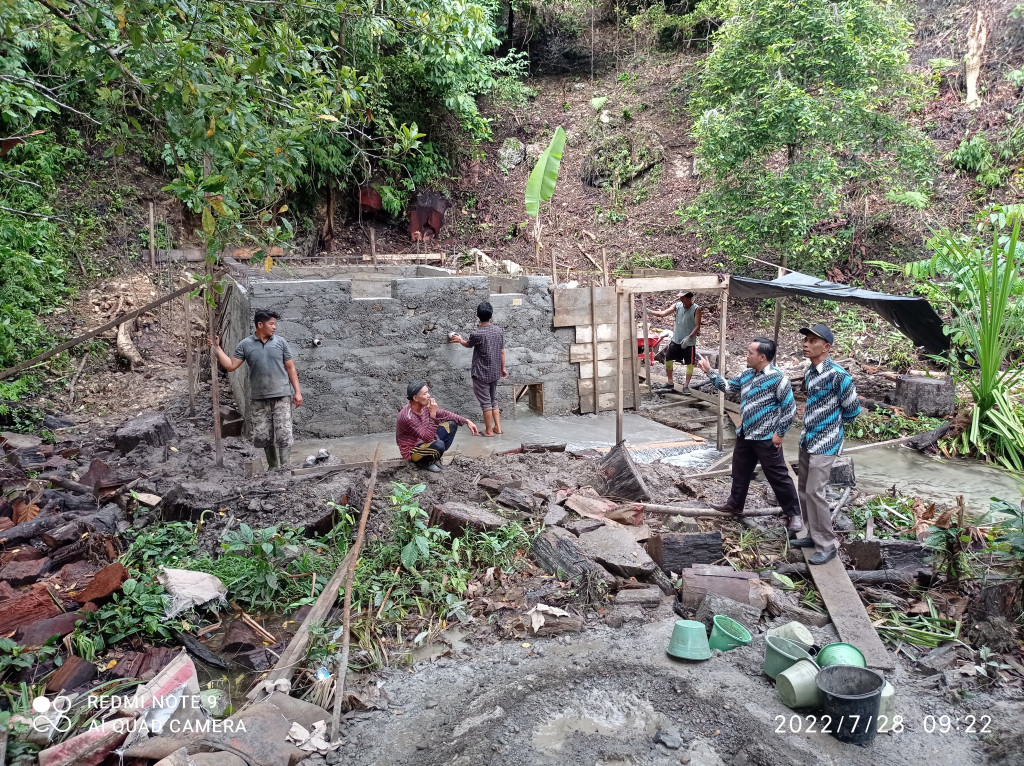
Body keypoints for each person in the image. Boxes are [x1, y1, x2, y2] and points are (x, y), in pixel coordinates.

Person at [696, 338, 803, 532]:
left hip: (766, 436)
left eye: (750, 353)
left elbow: (789, 409)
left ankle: (794, 514)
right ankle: (735, 504)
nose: (746, 355)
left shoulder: (779, 379)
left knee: (778, 476)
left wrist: (779, 434)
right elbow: (728, 388)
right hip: (745, 433)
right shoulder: (746, 374)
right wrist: (709, 372)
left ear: (762, 357)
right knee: (740, 471)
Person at [790, 324, 862, 565]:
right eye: (805, 340)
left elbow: (853, 410)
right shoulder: (811, 372)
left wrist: (832, 428)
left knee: (815, 491)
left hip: (826, 442)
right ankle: (812, 535)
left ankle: (827, 544)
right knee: (803, 490)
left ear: (827, 347)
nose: (806, 344)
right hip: (807, 438)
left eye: (812, 341)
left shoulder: (839, 376)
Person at [210, 308, 302, 470]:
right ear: (260, 324)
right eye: (271, 324)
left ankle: (285, 467)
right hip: (258, 398)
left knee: (284, 432)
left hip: (281, 396)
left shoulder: (281, 343)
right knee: (263, 434)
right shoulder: (246, 345)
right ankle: (273, 467)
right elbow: (231, 366)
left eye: (275, 324)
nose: (274, 327)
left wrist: (297, 392)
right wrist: (217, 349)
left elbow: (291, 368)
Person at [449, 301, 508, 437]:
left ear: (477, 316)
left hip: (481, 373)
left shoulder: (477, 333)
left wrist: (459, 339)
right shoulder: (498, 331)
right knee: (494, 400)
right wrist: (502, 369)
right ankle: (497, 428)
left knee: (486, 403)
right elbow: (502, 352)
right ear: (491, 316)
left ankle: (488, 431)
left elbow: (468, 344)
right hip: (495, 371)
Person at [396, 382, 480, 472]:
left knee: (451, 424)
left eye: (428, 392)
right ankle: (424, 463)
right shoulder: (408, 417)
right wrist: (433, 415)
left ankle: (435, 457)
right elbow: (428, 438)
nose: (429, 396)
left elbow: (443, 414)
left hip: (424, 440)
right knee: (439, 445)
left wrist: (466, 420)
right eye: (425, 394)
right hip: (413, 449)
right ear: (415, 398)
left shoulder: (423, 406)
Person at [649, 291, 702, 392]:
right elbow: (663, 314)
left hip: (688, 342)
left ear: (688, 298)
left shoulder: (696, 309)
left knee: (689, 364)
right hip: (676, 339)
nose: (680, 299)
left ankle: (686, 386)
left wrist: (689, 337)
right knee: (668, 359)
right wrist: (650, 312)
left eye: (682, 297)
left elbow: (697, 326)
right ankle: (670, 382)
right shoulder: (677, 306)